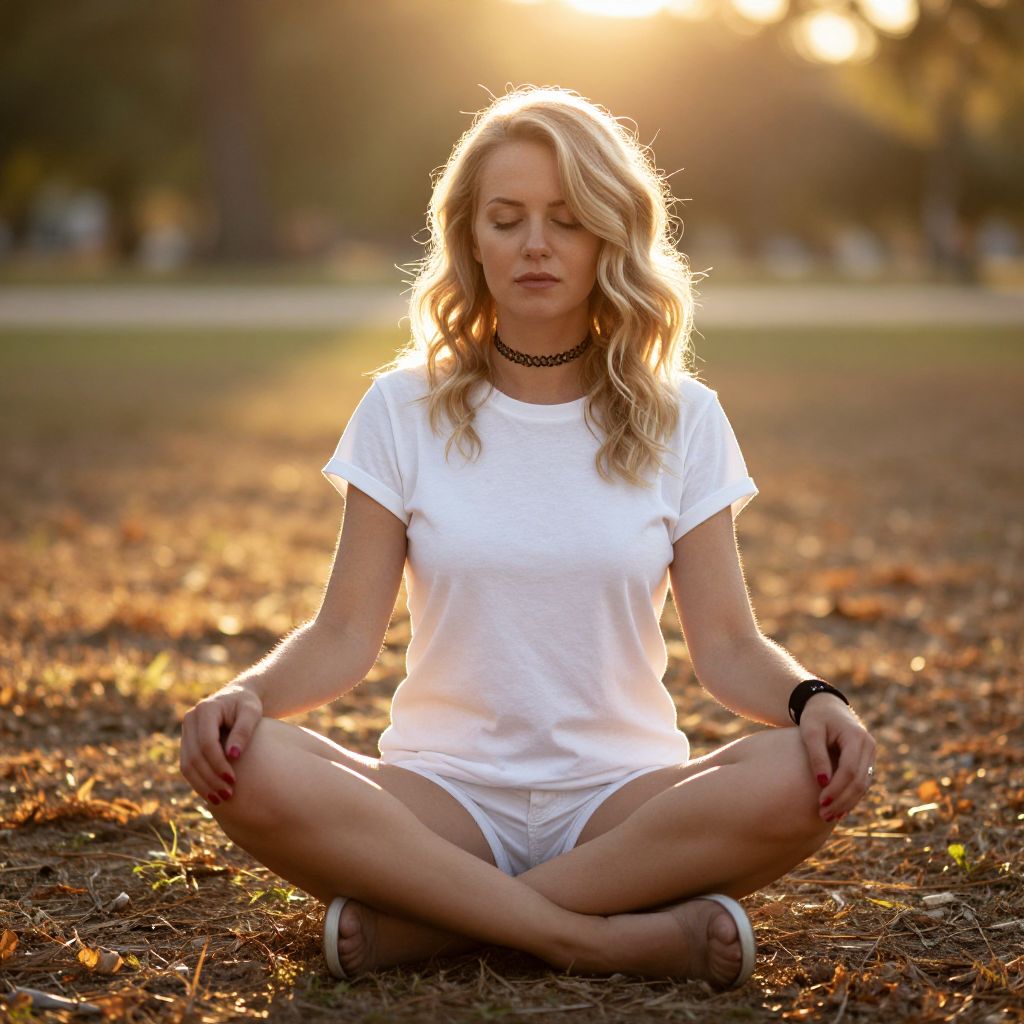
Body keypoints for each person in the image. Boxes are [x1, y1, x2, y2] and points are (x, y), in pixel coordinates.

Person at [178, 86, 877, 990]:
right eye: (507, 219)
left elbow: (731, 648)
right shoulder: (402, 407)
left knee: (800, 771)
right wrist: (246, 691)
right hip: (440, 799)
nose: (537, 244)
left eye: (568, 219)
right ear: (470, 238)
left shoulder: (685, 418)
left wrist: (815, 698)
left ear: (610, 237)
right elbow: (344, 636)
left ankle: (432, 925)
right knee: (250, 761)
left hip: (624, 807)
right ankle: (597, 938)